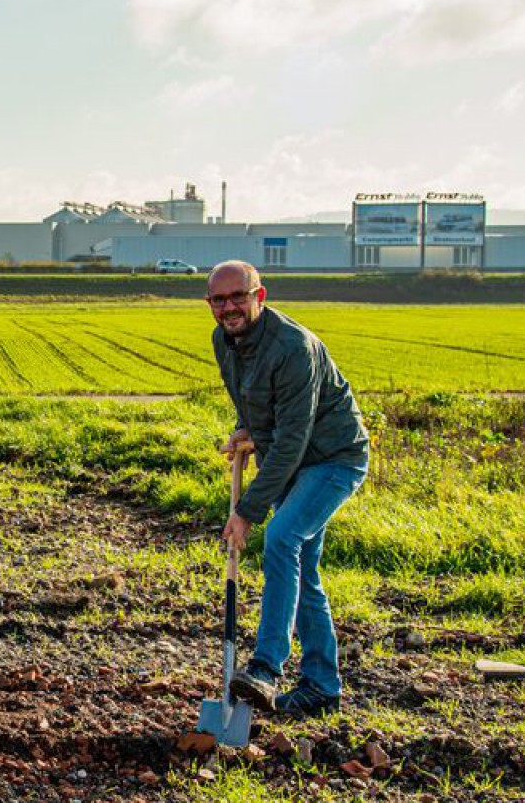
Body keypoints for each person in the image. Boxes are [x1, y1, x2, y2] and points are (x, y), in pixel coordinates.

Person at [210, 260, 370, 718]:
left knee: (281, 538)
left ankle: (265, 667)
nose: (229, 307)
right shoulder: (225, 341)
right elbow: (254, 401)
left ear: (259, 296)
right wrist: (247, 429)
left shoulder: (294, 347)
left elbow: (294, 440)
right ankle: (322, 687)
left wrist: (247, 510)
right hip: (291, 457)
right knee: (301, 568)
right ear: (210, 306)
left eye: (238, 296)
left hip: (334, 458)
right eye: (219, 300)